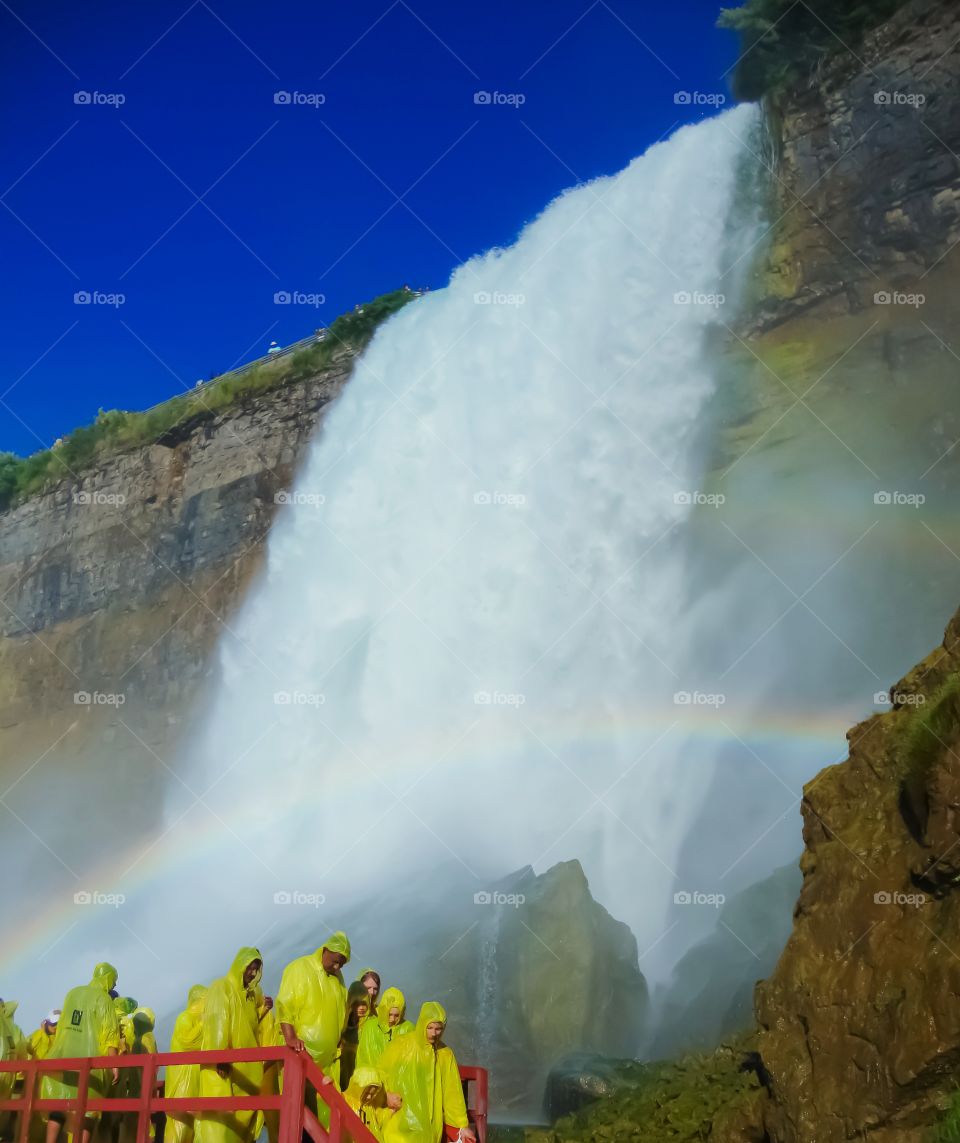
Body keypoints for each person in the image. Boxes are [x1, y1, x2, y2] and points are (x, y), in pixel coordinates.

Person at [277, 932, 350, 1129]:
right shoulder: (299, 968)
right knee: (300, 1121)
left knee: (323, 1125)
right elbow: (285, 1005)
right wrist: (290, 1037)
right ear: (325, 950)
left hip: (327, 1067)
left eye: (341, 964)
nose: (337, 967)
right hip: (301, 1060)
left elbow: (340, 1011)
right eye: (335, 961)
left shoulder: (338, 979)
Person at [42, 963, 121, 1143]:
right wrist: (114, 1064)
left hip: (63, 1057)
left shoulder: (72, 993)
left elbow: (62, 1026)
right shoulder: (104, 999)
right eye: (114, 981)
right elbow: (109, 1034)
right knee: (88, 1110)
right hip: (89, 1060)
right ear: (108, 978)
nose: (114, 986)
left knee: (58, 1104)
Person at [379, 1002, 474, 1143]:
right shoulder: (401, 1045)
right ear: (422, 1024)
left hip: (430, 1131)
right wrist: (385, 1095)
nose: (434, 1033)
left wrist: (462, 1125)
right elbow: (379, 1074)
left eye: (438, 1029)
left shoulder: (445, 1054)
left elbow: (452, 1093)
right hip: (399, 1125)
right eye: (429, 1028)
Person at [196, 948, 264, 1143]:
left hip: (247, 1073)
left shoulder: (249, 997)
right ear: (239, 965)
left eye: (256, 969)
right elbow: (217, 1021)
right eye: (249, 968)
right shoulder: (222, 987)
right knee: (220, 1128)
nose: (252, 973)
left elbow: (252, 1030)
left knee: (240, 1131)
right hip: (225, 1069)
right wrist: (220, 1057)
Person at [165, 986, 207, 1143]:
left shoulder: (198, 1020)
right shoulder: (184, 1018)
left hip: (195, 1081)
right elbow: (188, 1041)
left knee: (191, 1130)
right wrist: (203, 1023)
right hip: (182, 1081)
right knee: (179, 1129)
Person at [356, 987, 413, 1071]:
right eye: (389, 1014)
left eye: (397, 1015)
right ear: (383, 1010)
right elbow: (362, 1060)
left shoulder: (408, 1028)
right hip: (373, 1081)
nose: (392, 1019)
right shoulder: (370, 1027)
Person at [343, 1067, 401, 1143]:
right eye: (366, 1093)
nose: (370, 1097)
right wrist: (328, 1081)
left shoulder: (368, 1107)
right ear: (358, 1088)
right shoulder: (345, 1099)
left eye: (373, 1094)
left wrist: (390, 1112)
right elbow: (331, 1094)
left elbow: (376, 1122)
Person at [336, 982, 370, 1092]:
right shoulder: (342, 1024)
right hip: (343, 1075)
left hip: (362, 1077)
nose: (361, 1008)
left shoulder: (371, 1025)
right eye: (357, 1003)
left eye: (364, 1004)